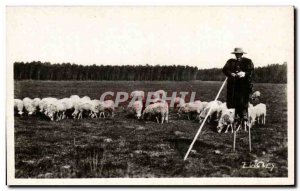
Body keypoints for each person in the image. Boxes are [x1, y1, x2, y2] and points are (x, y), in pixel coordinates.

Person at [222, 48, 254, 123]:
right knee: (232, 101)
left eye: (239, 54)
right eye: (236, 54)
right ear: (235, 54)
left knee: (242, 101)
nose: (238, 55)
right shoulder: (230, 62)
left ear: (242, 54)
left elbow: (251, 71)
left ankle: (243, 117)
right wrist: (231, 74)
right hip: (233, 85)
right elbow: (225, 69)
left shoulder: (248, 61)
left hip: (244, 85)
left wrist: (244, 73)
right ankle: (233, 117)